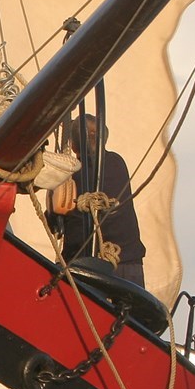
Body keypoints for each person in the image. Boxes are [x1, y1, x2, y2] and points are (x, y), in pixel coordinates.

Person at [47, 115, 146, 286]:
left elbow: (57, 221)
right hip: (129, 263)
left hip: (88, 265)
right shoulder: (117, 163)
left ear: (73, 144)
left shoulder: (70, 173)